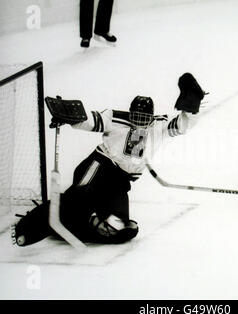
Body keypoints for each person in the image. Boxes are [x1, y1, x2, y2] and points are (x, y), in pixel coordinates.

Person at [12, 73, 205, 246]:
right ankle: (29, 227)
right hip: (100, 164)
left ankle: (77, 223)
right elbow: (91, 121)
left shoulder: (159, 126)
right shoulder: (117, 118)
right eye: (135, 116)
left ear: (151, 117)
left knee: (122, 228)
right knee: (77, 199)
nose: (139, 121)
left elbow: (182, 126)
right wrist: (70, 117)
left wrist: (191, 107)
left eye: (144, 117)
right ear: (130, 113)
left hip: (120, 182)